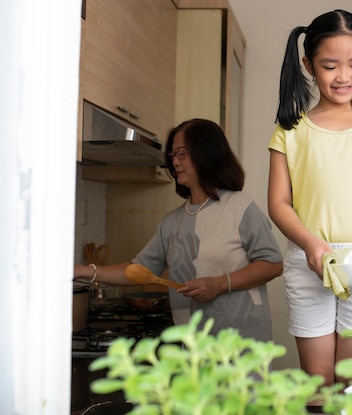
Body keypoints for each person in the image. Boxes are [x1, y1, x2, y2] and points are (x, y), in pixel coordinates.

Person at [267, 9, 352, 387]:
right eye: (330, 66)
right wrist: (312, 244)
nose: (344, 76)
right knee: (318, 384)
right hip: (309, 258)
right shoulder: (290, 129)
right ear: (308, 65)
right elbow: (278, 203)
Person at [75, 119, 283, 342]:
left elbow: (272, 263)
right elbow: (137, 270)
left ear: (207, 153)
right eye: (173, 155)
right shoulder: (172, 221)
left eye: (182, 153)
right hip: (192, 344)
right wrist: (84, 272)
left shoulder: (240, 207)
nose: (175, 161)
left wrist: (219, 284)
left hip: (241, 343)